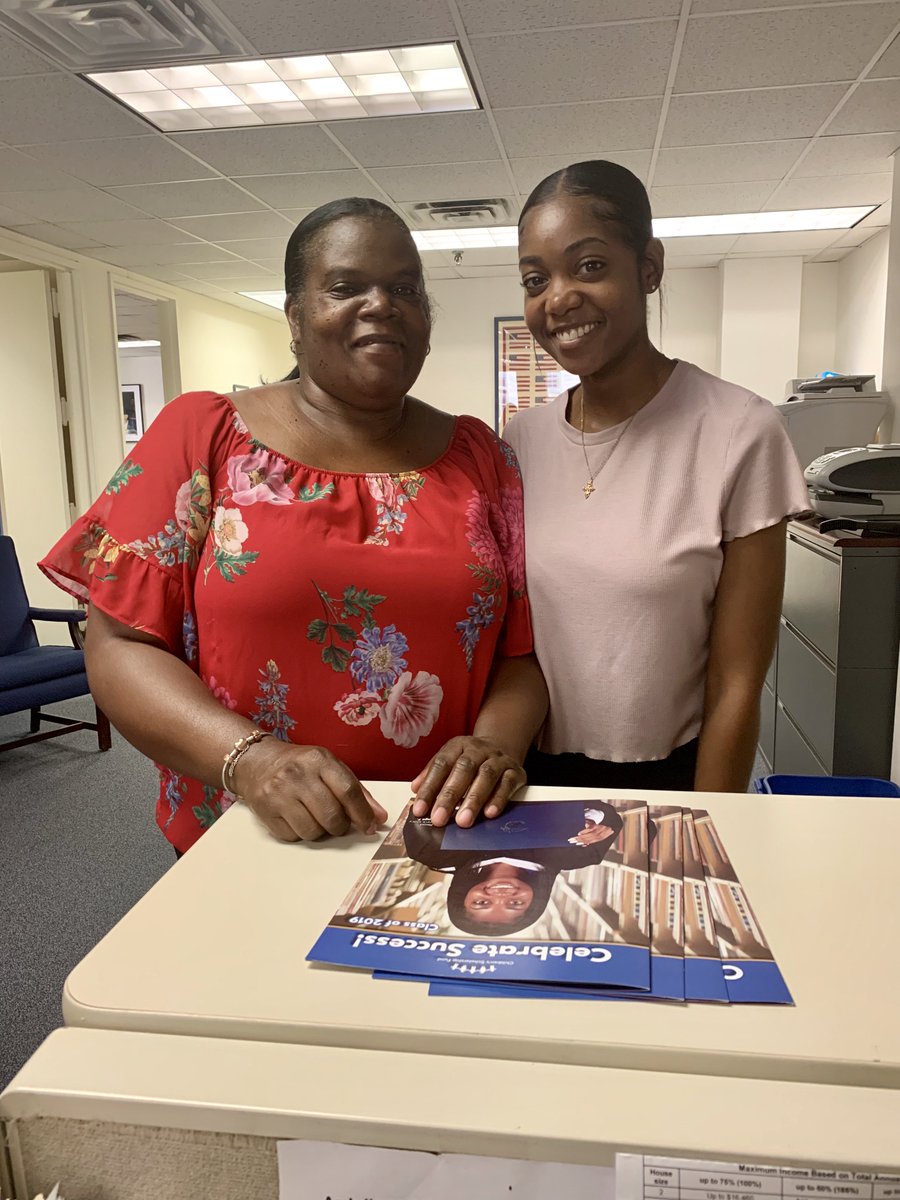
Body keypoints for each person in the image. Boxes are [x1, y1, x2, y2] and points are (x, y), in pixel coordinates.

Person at [39, 197, 547, 855]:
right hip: (247, 835)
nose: (381, 304)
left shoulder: (481, 458)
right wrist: (251, 761)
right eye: (345, 287)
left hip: (443, 830)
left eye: (404, 289)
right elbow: (116, 647)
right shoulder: (204, 436)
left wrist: (494, 745)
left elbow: (520, 653)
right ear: (295, 318)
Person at [504, 161, 809, 793]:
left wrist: (710, 827)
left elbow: (736, 683)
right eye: (536, 279)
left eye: (589, 266)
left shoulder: (737, 429)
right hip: (530, 777)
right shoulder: (520, 441)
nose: (558, 298)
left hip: (673, 777)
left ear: (649, 267)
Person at [403, 800, 622, 935]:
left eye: (481, 903)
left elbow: (418, 814)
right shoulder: (578, 854)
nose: (501, 895)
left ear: (462, 896)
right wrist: (594, 821)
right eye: (515, 904)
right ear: (535, 901)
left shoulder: (431, 851)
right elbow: (609, 812)